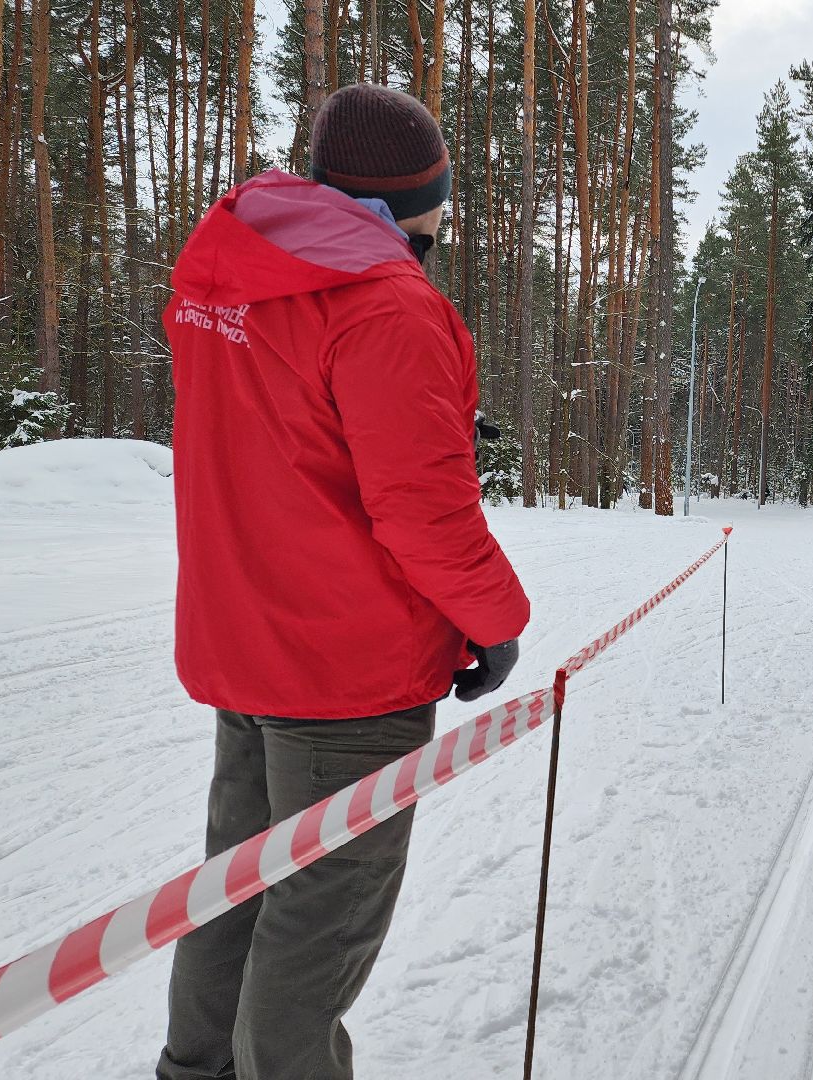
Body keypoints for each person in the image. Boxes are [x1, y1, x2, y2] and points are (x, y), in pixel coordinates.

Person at [157, 84, 529, 1080]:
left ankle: (195, 1071)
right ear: (423, 200)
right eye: (444, 202)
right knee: (315, 921)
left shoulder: (229, 272)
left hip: (244, 645)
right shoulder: (389, 303)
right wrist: (496, 621)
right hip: (344, 672)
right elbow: (422, 513)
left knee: (233, 890)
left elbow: (286, 439)